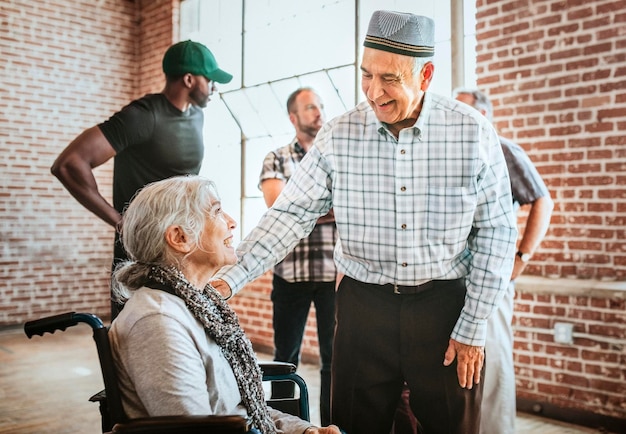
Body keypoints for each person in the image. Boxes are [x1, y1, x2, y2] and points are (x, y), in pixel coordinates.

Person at [212, 10, 518, 434]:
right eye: (366, 75)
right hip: (363, 308)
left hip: (446, 307)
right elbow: (291, 212)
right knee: (353, 426)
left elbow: (497, 231)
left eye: (389, 78)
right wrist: (229, 277)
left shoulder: (471, 133)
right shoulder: (340, 135)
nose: (374, 92)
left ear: (425, 74)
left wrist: (474, 322)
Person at [107, 175, 342, 434]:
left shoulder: (200, 305)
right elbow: (200, 429)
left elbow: (245, 410)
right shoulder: (157, 322)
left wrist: (305, 431)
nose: (232, 222)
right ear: (179, 237)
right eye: (217, 212)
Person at [50, 40, 232, 319]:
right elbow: (68, 164)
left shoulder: (197, 116)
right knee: (135, 335)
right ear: (189, 79)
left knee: (178, 336)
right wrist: (120, 221)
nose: (214, 87)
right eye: (209, 80)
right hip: (142, 251)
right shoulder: (143, 116)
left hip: (182, 247)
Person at [453, 88, 554, 434]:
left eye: (463, 110)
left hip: (492, 275)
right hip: (456, 279)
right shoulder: (455, 153)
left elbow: (542, 200)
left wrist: (521, 258)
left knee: (492, 364)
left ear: (482, 115)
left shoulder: (503, 149)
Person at [260, 87, 338, 426]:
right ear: (293, 117)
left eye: (320, 106)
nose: (319, 112)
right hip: (289, 276)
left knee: (335, 361)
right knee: (284, 359)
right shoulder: (276, 158)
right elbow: (278, 205)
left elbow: (347, 206)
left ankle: (332, 427)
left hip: (335, 277)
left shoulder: (338, 157)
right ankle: (282, 426)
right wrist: (327, 206)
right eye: (310, 108)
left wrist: (302, 207)